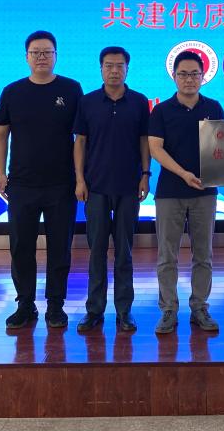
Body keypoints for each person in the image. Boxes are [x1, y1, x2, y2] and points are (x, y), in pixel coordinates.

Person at [0, 30, 83, 330]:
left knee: (60, 247)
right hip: (21, 183)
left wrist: (80, 176)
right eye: (36, 52)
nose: (41, 57)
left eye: (47, 52)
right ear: (27, 57)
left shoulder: (71, 89)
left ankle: (55, 305)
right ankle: (25, 304)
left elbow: (81, 137)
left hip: (61, 183)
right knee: (21, 246)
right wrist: (1, 173)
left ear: (56, 56)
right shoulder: (12, 91)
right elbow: (0, 134)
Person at [73, 46, 151, 333]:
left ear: (127, 69)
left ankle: (124, 311)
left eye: (119, 66)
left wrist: (145, 175)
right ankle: (94, 310)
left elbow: (144, 141)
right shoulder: (88, 102)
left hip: (129, 186)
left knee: (124, 251)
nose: (114, 71)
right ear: (101, 68)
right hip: (95, 186)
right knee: (96, 251)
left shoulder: (139, 102)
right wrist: (79, 180)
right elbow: (80, 142)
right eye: (109, 65)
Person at [147, 50, 224, 334]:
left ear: (203, 76)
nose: (189, 79)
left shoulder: (214, 107)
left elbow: (223, 146)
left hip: (205, 191)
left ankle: (200, 307)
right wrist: (183, 174)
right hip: (170, 191)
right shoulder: (161, 110)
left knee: (203, 254)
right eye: (183, 74)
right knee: (167, 255)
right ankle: (168, 309)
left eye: (194, 74)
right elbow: (155, 149)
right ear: (174, 76)